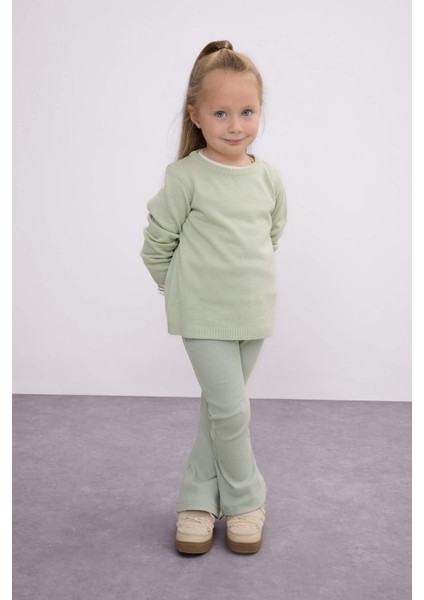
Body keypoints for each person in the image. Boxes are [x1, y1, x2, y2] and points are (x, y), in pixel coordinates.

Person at [141, 40, 287, 555]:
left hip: (253, 312)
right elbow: (157, 244)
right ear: (196, 115)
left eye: (247, 112)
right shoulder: (185, 176)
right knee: (232, 411)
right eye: (220, 113)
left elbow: (271, 235)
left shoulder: (268, 177)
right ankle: (247, 500)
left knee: (220, 409)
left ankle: (198, 502)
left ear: (260, 111)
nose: (235, 125)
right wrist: (180, 289)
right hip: (202, 315)